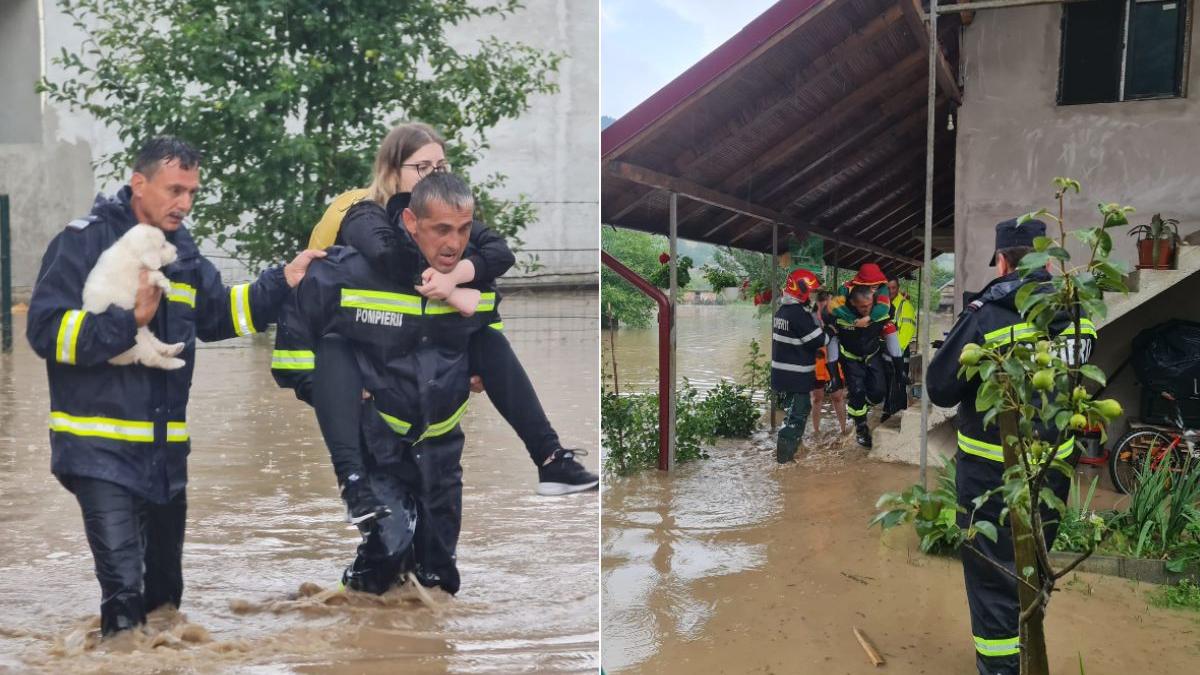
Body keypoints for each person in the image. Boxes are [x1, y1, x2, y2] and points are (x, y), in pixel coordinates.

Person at [25, 136, 323, 636]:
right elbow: (44, 331)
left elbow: (219, 314)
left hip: (164, 458)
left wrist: (284, 280)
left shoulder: (179, 250)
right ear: (138, 183)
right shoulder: (82, 243)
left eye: (192, 192)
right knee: (124, 607)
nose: (184, 203)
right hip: (96, 452)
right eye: (175, 190)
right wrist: (127, 320)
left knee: (164, 608)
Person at [304, 123, 596, 503]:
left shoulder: (447, 215)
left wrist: (456, 278)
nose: (435, 175)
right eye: (422, 168)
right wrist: (456, 293)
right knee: (389, 529)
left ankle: (550, 457)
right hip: (370, 361)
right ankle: (360, 495)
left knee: (487, 339)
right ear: (392, 172)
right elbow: (389, 256)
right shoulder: (363, 213)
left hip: (425, 360)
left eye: (441, 167)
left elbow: (500, 254)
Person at [273, 173, 512, 596]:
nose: (452, 239)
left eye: (461, 228)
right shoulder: (353, 265)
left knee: (438, 575)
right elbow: (292, 352)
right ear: (407, 212)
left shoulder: (463, 272)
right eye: (421, 166)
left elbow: (482, 337)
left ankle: (418, 647)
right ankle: (351, 606)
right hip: (376, 433)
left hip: (438, 440)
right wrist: (342, 394)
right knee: (392, 541)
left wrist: (473, 371)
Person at [926, 217, 1096, 675]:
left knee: (991, 579)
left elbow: (939, 387)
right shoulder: (1077, 313)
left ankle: (1000, 668)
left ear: (1003, 261)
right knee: (1034, 570)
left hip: (992, 476)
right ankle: (1027, 651)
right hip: (1054, 474)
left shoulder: (989, 313)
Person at [827, 265, 904, 449]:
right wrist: (834, 376)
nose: (866, 309)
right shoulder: (842, 301)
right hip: (850, 356)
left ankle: (861, 404)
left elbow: (890, 329)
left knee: (878, 392)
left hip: (872, 353)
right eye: (863, 307)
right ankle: (861, 426)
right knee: (857, 391)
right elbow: (832, 336)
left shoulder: (882, 305)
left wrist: (900, 369)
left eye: (869, 305)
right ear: (853, 303)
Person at [770, 269, 826, 462]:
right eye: (810, 292)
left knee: (790, 414)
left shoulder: (782, 311)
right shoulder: (797, 314)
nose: (811, 296)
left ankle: (789, 452)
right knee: (798, 416)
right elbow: (818, 340)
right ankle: (784, 462)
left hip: (782, 375)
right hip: (797, 376)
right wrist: (832, 332)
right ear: (801, 290)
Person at [811, 292, 849, 437]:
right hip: (817, 363)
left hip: (834, 362)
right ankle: (815, 432)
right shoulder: (811, 317)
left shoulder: (838, 316)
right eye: (826, 303)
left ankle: (844, 430)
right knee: (817, 397)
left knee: (838, 396)